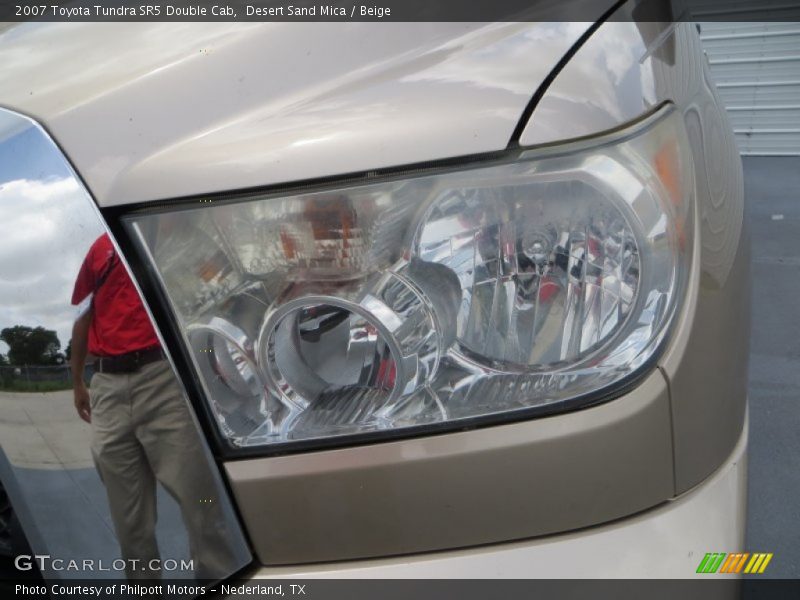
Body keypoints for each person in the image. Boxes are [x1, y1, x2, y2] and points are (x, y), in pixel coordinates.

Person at [70, 233, 237, 580]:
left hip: (164, 376)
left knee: (200, 501)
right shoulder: (103, 245)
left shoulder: (191, 234)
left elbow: (224, 289)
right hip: (107, 385)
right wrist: (77, 381)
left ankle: (218, 579)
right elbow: (86, 313)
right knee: (128, 520)